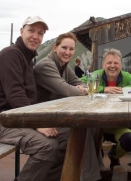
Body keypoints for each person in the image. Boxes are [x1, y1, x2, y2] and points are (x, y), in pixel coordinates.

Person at [0, 16, 66, 181]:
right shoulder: (11, 54)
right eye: (31, 31)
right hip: (0, 121)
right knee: (48, 146)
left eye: (40, 33)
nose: (36, 36)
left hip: (18, 118)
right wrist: (37, 124)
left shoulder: (27, 58)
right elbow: (15, 94)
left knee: (69, 137)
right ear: (21, 32)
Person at [34, 32, 101, 181]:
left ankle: (91, 172)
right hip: (42, 119)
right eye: (64, 47)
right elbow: (67, 89)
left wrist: (81, 89)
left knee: (92, 127)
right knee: (82, 129)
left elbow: (82, 84)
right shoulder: (46, 65)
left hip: (56, 114)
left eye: (71, 49)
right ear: (54, 47)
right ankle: (90, 176)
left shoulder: (63, 66)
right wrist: (82, 90)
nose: (68, 52)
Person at [81, 48, 131, 170]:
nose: (113, 66)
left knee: (129, 142)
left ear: (121, 65)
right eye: (109, 63)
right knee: (91, 145)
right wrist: (102, 89)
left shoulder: (127, 77)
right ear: (103, 65)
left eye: (116, 63)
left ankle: (114, 156)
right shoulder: (96, 75)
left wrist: (126, 89)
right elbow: (79, 84)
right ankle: (97, 163)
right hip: (97, 124)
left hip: (120, 124)